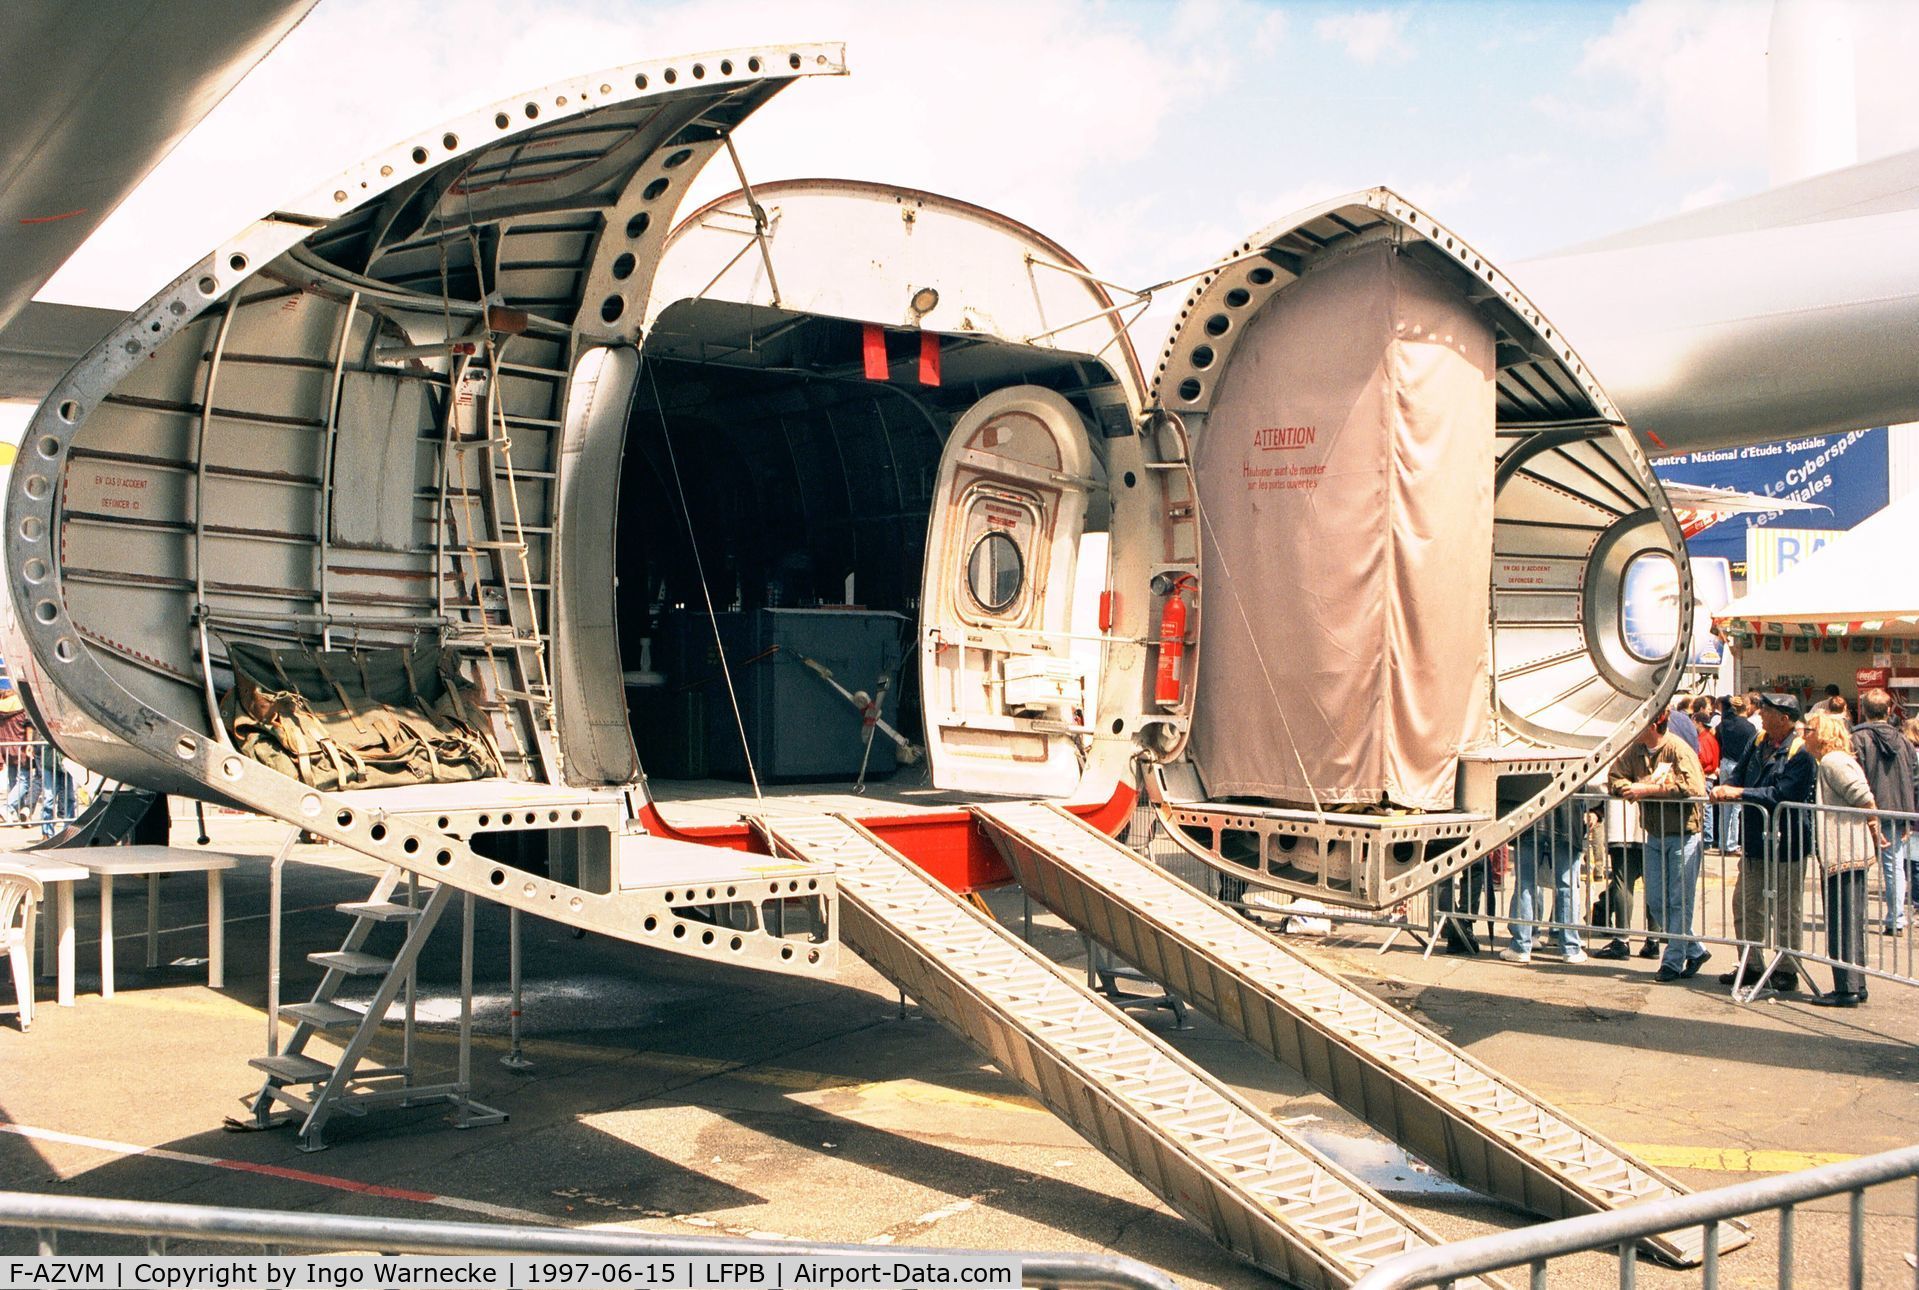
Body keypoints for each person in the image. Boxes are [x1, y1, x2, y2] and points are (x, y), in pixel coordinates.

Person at [1712, 693, 1817, 992]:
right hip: (1756, 840)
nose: (1761, 714)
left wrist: (1739, 793)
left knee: (1786, 909)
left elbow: (1783, 794)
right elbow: (1738, 775)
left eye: (1768, 711)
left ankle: (1786, 969)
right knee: (1745, 904)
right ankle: (1751, 964)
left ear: (1784, 718)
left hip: (1788, 843)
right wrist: (1727, 788)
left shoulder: (1800, 753)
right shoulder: (1758, 742)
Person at [1609, 711, 1709, 981]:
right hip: (1654, 834)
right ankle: (1695, 949)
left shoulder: (1678, 749)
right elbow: (1615, 777)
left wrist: (1647, 790)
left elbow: (1694, 787)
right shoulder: (1636, 750)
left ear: (1653, 725)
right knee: (1655, 901)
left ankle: (1672, 963)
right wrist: (1629, 786)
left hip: (1683, 834)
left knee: (1679, 901)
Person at [1805, 710, 1880, 1007]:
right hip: (1846, 851)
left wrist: (1874, 825)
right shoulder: (1834, 761)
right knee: (1849, 921)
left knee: (1843, 922)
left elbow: (1862, 795)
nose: (1804, 735)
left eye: (1809, 730)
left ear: (1821, 733)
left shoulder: (1834, 761)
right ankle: (1854, 983)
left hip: (1844, 852)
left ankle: (1847, 987)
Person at [1851, 688, 1915, 934]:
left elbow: (1854, 777)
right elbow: (1915, 779)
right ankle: (1896, 920)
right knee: (1894, 866)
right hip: (1897, 811)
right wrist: (1909, 815)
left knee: (1858, 865)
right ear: (1889, 711)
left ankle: (1856, 918)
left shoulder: (1857, 739)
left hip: (1865, 809)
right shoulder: (1904, 741)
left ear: (1864, 710)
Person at [1500, 799, 1587, 964]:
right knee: (1566, 886)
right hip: (1567, 819)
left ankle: (1521, 946)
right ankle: (1570, 947)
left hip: (1529, 818)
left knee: (1525, 884)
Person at [1716, 694, 1757, 854]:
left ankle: (1722, 843)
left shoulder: (1725, 723)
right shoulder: (1749, 727)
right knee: (1736, 807)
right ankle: (1732, 844)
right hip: (1739, 765)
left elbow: (1724, 701)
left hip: (1725, 762)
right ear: (1746, 708)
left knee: (1723, 805)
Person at [1692, 696, 1721, 850]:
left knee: (1706, 809)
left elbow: (1706, 759)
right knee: (1706, 808)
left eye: (1694, 722)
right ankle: (1708, 838)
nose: (1692, 725)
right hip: (1709, 775)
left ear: (1700, 724)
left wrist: (1696, 765)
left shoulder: (1704, 739)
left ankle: (1707, 838)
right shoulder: (1709, 737)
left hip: (1706, 776)